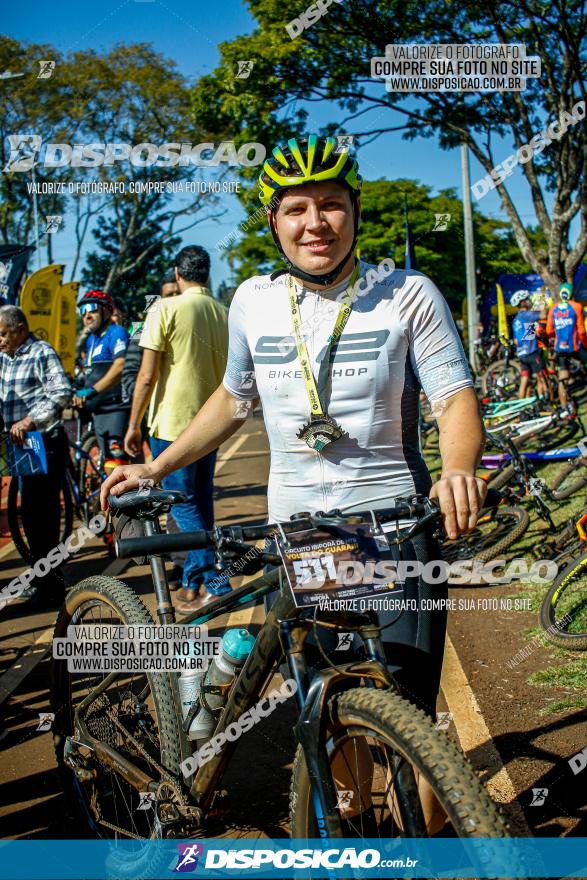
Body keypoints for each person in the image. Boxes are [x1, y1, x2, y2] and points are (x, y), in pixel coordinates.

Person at [101, 135, 485, 831]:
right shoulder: (251, 300)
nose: (316, 222)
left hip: (393, 528)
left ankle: (418, 833)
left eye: (331, 205)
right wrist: (156, 465)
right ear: (273, 221)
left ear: (354, 213)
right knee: (326, 697)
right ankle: (346, 808)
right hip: (300, 535)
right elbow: (232, 398)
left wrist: (457, 468)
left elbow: (453, 396)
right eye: (297, 208)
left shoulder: (407, 294)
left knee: (407, 711)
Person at [123, 246, 230, 606]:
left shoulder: (164, 308)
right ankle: (192, 581)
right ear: (207, 273)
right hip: (211, 424)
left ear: (177, 273)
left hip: (172, 423)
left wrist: (133, 424)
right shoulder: (224, 312)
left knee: (183, 506)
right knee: (201, 502)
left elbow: (146, 374)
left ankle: (215, 581)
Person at [0, 305, 71, 609]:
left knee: (41, 515)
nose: (0, 339)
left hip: (44, 442)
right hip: (19, 447)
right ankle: (44, 578)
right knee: (29, 516)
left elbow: (62, 391)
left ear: (19, 329)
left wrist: (30, 420)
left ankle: (52, 586)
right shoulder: (3, 358)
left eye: (3, 333)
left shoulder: (41, 352)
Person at [73, 290, 131, 471]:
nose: (86, 315)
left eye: (91, 309)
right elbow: (90, 371)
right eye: (82, 311)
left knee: (115, 464)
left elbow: (120, 366)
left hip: (116, 408)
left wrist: (93, 390)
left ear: (106, 310)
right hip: (98, 410)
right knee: (103, 461)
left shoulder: (117, 332)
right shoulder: (91, 340)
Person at [545, 281, 587, 410]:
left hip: (560, 348)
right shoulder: (576, 307)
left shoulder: (554, 308)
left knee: (562, 377)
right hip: (575, 346)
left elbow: (548, 331)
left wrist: (558, 334)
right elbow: (581, 330)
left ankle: (563, 406)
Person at [510, 290, 548, 400]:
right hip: (531, 353)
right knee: (542, 378)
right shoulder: (526, 315)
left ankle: (521, 407)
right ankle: (545, 401)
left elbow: (519, 339)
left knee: (524, 381)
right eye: (527, 300)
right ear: (522, 303)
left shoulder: (516, 319)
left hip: (522, 354)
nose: (529, 301)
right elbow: (543, 314)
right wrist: (544, 301)